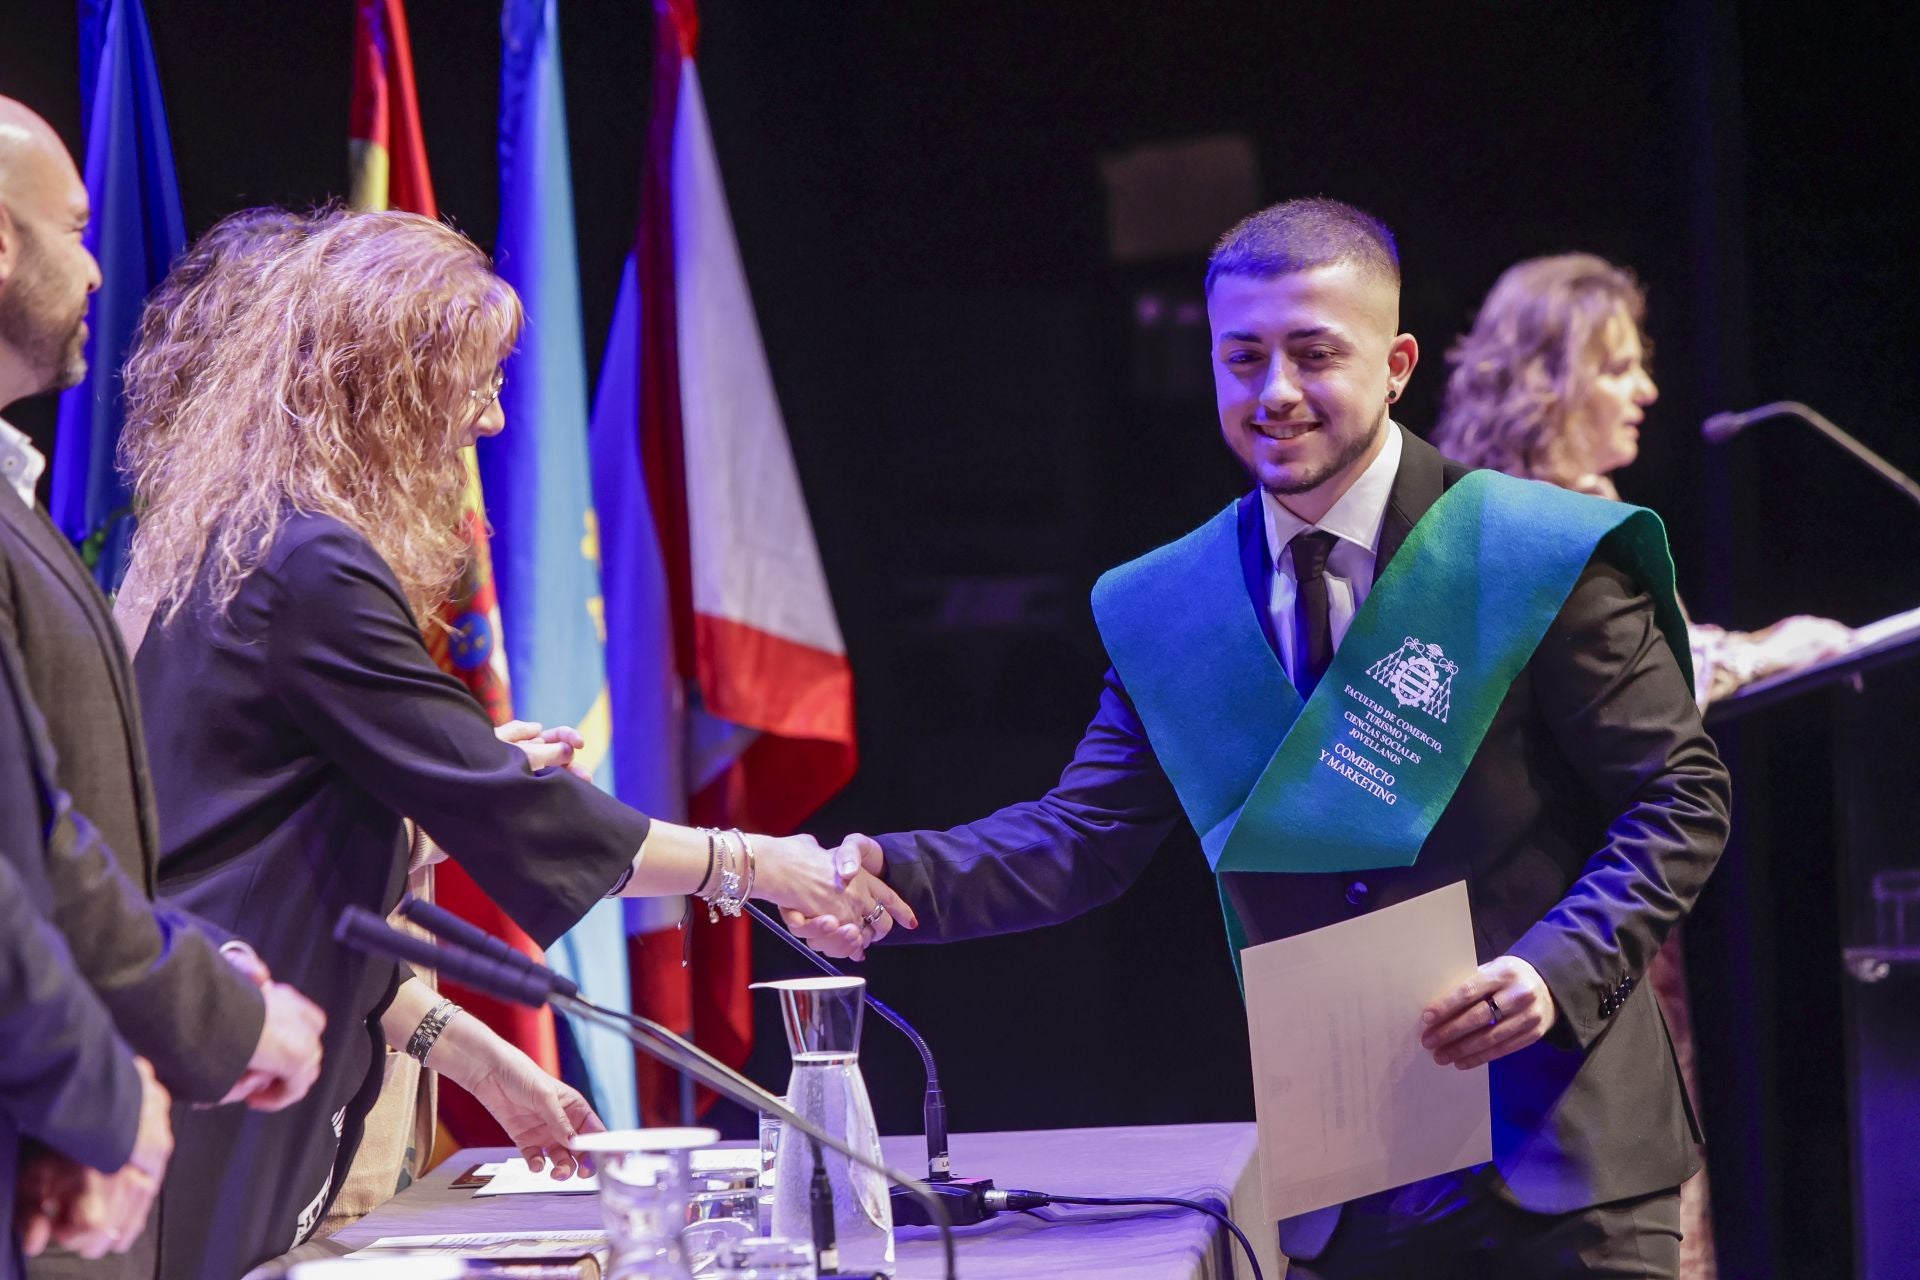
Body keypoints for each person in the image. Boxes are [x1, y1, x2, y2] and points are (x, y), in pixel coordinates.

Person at [799, 199, 1731, 1277]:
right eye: (1241, 357)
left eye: (1313, 353)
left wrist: (1551, 969)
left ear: (1396, 364)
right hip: (1346, 1172)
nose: (1273, 391)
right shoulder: (1169, 601)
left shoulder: (1533, 552)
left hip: (1562, 1157)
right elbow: (1080, 836)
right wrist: (884, 875)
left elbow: (1681, 797)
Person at [114, 207, 910, 1278]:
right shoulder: (311, 565)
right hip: (225, 1061)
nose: (491, 418)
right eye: (475, 378)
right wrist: (758, 863)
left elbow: (272, 823)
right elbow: (517, 815)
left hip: (221, 1037)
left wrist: (445, 812)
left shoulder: (233, 542)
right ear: (388, 374)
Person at [1428, 252, 1851, 1280]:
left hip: (1621, 921)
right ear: (1547, 375)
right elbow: (1584, 687)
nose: (1646, 391)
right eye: (1618, 366)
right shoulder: (1491, 518)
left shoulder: (1589, 505)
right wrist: (1755, 650)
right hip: (1533, 933)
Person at [0, 96, 326, 1277]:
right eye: (74, 229)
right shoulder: (305, 564)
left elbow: (56, 824)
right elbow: (22, 861)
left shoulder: (15, 492)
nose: (99, 269)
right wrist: (113, 1086)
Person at [1430, 253, 1852, 706]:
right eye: (1617, 370)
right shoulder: (1535, 524)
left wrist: (1764, 645)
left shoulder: (1565, 498)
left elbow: (1664, 652)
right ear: (1543, 385)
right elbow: (1643, 688)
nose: (1647, 390)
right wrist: (1772, 655)